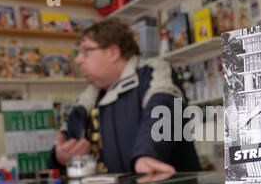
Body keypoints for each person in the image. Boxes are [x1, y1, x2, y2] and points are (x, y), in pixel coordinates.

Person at [48, 18, 201, 174]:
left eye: (86, 51)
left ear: (113, 52)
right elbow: (64, 142)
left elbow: (164, 108)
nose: (78, 60)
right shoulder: (89, 96)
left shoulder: (154, 71)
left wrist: (147, 154)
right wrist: (58, 157)